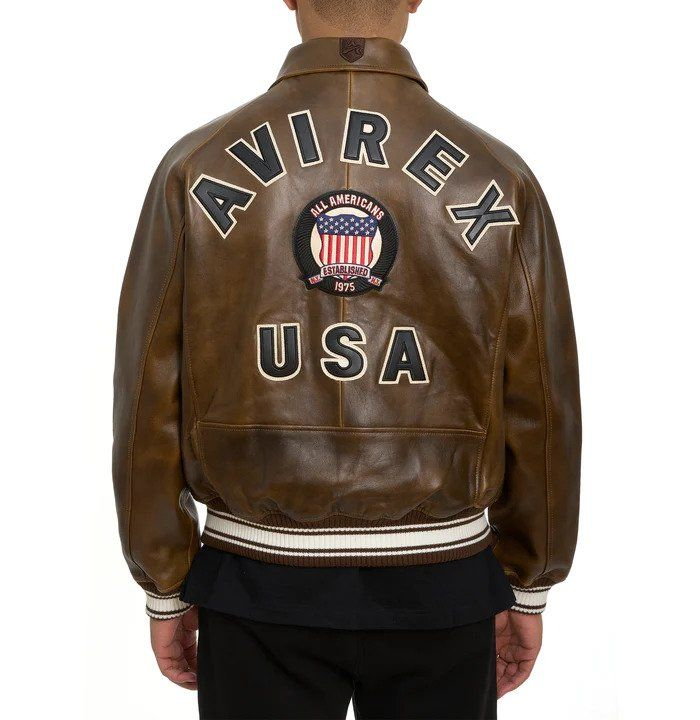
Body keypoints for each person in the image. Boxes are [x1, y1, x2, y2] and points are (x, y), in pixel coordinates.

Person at [112, 1, 581, 717]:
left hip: (255, 582)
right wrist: (528, 582)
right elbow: (542, 402)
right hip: (445, 584)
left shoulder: (194, 167)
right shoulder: (497, 175)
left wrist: (166, 586)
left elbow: (148, 394)